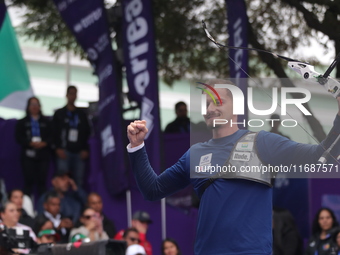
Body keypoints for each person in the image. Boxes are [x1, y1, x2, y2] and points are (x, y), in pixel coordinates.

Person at [126, 78, 340, 255]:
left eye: (217, 102)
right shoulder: (195, 154)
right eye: (206, 104)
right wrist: (137, 147)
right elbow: (152, 190)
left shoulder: (262, 142)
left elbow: (321, 157)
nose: (210, 109)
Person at [52, 85, 91, 187]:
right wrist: (57, 148)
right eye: (71, 93)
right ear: (66, 95)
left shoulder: (81, 114)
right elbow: (54, 132)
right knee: (62, 180)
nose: (72, 96)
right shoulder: (59, 114)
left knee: (78, 181)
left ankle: (76, 202)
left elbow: (86, 132)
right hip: (64, 151)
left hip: (78, 152)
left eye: (75, 94)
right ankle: (62, 202)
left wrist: (85, 149)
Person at [15, 97, 52, 197]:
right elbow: (19, 137)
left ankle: (42, 208)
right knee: (28, 182)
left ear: (40, 106)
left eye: (36, 104)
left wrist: (44, 143)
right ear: (28, 107)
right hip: (28, 155)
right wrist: (29, 143)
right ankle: (26, 209)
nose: (34, 107)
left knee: (42, 183)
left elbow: (52, 136)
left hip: (43, 154)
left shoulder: (46, 122)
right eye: (32, 104)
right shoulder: (22, 122)